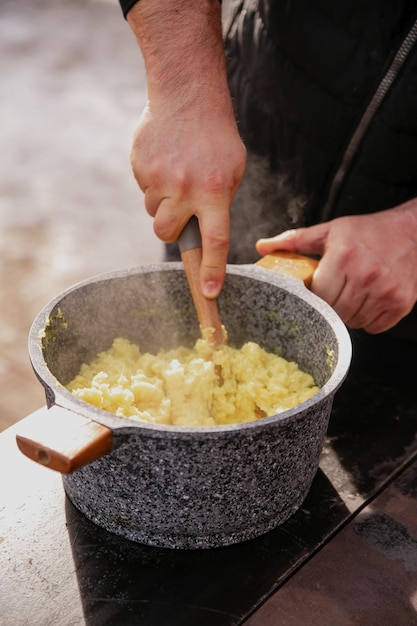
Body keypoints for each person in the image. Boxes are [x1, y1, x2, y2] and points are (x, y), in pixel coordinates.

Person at [119, 0, 417, 340]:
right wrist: (183, 91)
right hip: (225, 152)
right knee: (178, 327)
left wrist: (410, 232)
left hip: (398, 304)